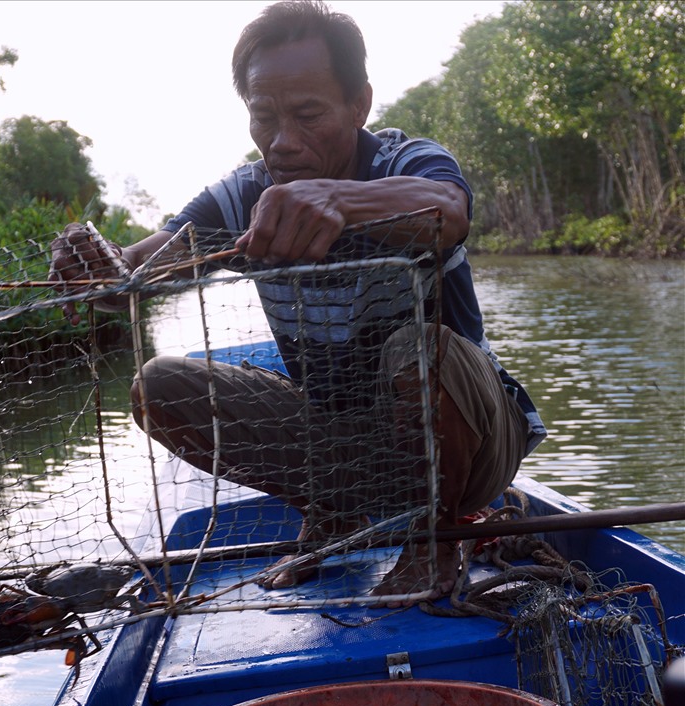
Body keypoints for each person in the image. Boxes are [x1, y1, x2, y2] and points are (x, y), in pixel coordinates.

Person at [50, 0, 546, 605]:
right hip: (343, 440)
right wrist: (100, 269)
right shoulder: (244, 194)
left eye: (308, 115)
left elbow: (449, 210)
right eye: (264, 116)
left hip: (475, 443)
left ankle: (436, 540)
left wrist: (340, 200)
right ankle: (331, 510)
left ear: (359, 104)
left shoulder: (404, 161)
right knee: (158, 388)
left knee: (421, 351)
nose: (282, 142)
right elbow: (139, 273)